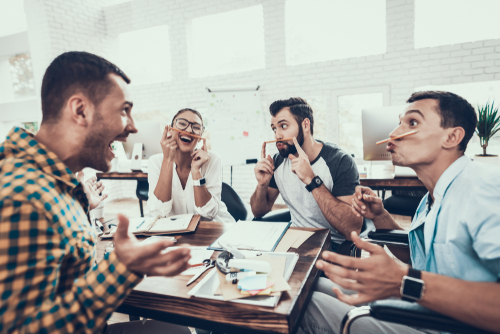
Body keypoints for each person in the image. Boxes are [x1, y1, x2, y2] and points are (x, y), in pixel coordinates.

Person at [0, 51, 192, 334]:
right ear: (80, 111)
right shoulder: (23, 198)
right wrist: (121, 268)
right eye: (123, 110)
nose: (133, 126)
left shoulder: (54, 185)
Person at [298, 91, 500, 334]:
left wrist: (404, 282)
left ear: (452, 136)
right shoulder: (432, 197)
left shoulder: (484, 189)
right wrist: (380, 216)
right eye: (398, 123)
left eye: (412, 123)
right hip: (428, 305)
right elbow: (417, 259)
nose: (393, 134)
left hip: (445, 324)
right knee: (309, 286)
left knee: (303, 306)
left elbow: (413, 275)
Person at [250, 98, 362, 251]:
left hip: (334, 245)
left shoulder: (340, 161)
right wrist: (262, 185)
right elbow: (258, 211)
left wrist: (311, 180)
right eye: (274, 129)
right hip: (295, 240)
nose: (277, 135)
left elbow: (352, 229)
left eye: (283, 126)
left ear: (305, 125)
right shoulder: (278, 161)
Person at [147, 108, 235, 224]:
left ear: (200, 136)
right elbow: (158, 212)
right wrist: (167, 159)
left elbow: (209, 214)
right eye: (182, 124)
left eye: (196, 127)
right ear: (170, 129)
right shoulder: (156, 162)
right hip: (175, 231)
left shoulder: (212, 159)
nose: (189, 130)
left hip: (212, 228)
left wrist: (196, 171)